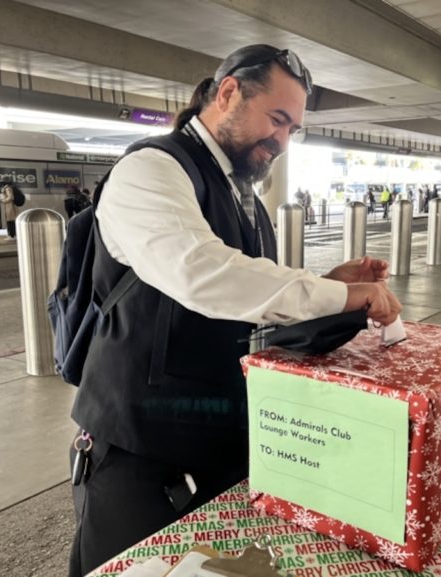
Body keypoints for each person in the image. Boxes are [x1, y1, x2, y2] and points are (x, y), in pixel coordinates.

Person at [67, 44, 402, 577]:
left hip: (217, 439)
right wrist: (343, 297)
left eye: (294, 129)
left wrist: (324, 286)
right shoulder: (152, 170)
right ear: (227, 94)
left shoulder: (240, 191)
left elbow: (249, 300)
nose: (283, 140)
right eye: (277, 119)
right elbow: (203, 274)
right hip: (140, 449)